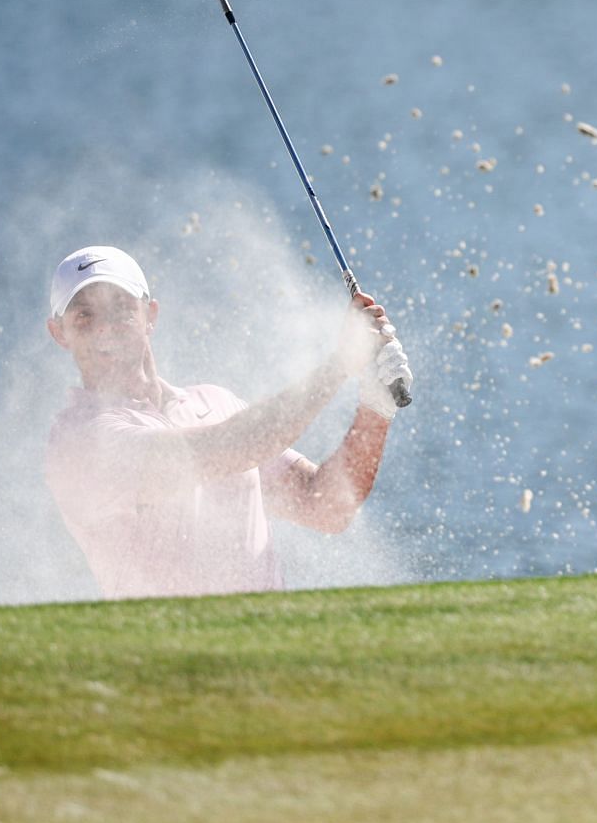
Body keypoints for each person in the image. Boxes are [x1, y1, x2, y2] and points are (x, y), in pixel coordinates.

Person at [43, 244, 412, 599]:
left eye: (120, 308)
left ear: (150, 316)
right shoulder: (81, 442)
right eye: (84, 316)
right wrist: (339, 365)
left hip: (269, 651)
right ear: (60, 333)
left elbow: (326, 507)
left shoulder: (214, 403)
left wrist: (375, 407)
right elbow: (233, 447)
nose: (105, 327)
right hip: (166, 658)